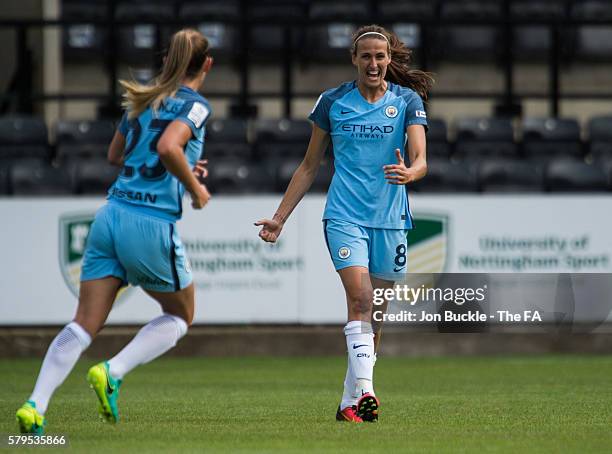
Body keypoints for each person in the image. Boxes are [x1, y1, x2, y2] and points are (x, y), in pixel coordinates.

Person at [16, 28, 213, 434]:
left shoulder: (144, 100)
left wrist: (180, 170)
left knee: (84, 322)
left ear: (167, 60)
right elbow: (167, 148)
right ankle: (113, 371)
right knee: (180, 315)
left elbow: (116, 155)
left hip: (110, 215)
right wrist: (195, 189)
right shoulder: (195, 106)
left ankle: (36, 404)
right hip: (150, 221)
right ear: (207, 65)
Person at [255, 24, 433, 423]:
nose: (373, 63)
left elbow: (421, 157)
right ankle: (368, 392)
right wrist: (280, 218)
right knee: (361, 300)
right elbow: (308, 165)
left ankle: (348, 401)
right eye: (366, 56)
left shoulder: (406, 100)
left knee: (376, 320)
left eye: (380, 56)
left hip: (390, 219)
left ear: (389, 60)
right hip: (344, 216)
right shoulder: (333, 101)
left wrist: (412, 173)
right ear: (354, 59)